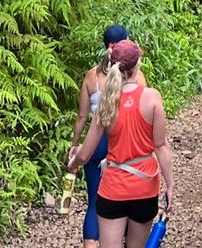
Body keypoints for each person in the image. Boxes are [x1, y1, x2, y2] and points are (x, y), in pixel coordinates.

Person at [69, 40, 173, 248]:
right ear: (137, 66)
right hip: (145, 185)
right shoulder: (152, 98)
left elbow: (86, 152)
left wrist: (74, 162)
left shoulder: (106, 103)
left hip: (114, 186)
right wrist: (170, 185)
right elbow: (160, 146)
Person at [70, 25, 129, 248]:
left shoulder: (91, 76)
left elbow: (82, 116)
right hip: (120, 143)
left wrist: (75, 146)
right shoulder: (132, 75)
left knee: (94, 202)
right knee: (123, 200)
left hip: (94, 144)